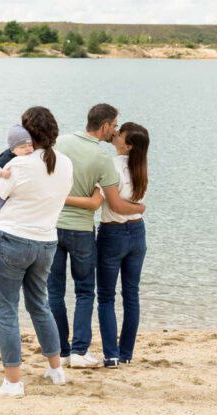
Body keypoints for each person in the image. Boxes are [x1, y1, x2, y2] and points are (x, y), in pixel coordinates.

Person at [0, 106, 73, 397]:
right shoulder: (67, 163)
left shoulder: (19, 165)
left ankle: (13, 382)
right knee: (40, 305)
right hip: (46, 242)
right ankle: (56, 369)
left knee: (6, 311)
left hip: (12, 240)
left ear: (26, 134)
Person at [49, 104, 145, 369]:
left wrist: (55, 198)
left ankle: (62, 351)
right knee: (85, 292)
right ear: (104, 126)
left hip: (53, 225)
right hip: (81, 229)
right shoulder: (104, 159)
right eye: (114, 126)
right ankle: (82, 351)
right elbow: (98, 203)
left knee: (54, 292)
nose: (114, 131)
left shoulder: (61, 143)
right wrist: (139, 209)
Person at [93, 123, 150, 367]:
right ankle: (126, 353)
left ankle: (112, 355)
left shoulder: (111, 166)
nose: (114, 134)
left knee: (106, 296)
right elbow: (133, 204)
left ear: (128, 145)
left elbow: (114, 205)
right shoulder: (141, 168)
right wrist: (138, 208)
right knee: (131, 295)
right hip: (137, 232)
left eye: (120, 134)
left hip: (113, 234)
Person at [0, 125, 34, 231]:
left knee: (5, 198)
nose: (27, 149)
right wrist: (2, 173)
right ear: (13, 149)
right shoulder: (7, 156)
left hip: (3, 177)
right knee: (1, 198)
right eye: (23, 147)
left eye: (30, 145)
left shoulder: (24, 155)